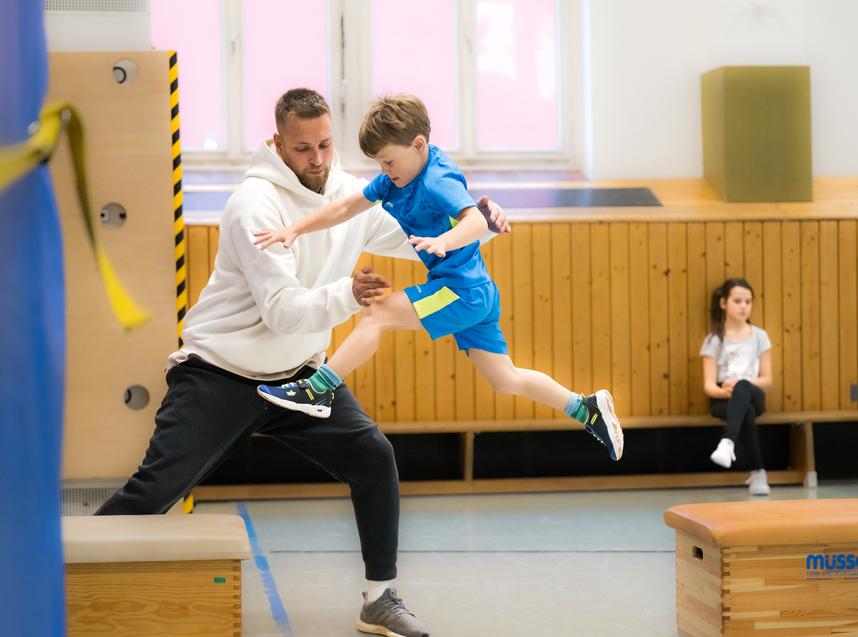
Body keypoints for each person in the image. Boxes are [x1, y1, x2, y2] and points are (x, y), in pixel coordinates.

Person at [96, 88, 512, 637]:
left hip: (300, 377)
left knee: (373, 457)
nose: (316, 159)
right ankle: (61, 580)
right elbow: (282, 312)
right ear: (278, 143)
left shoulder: (350, 193)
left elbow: (424, 238)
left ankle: (379, 599)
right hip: (221, 371)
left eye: (325, 145)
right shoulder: (254, 205)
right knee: (153, 490)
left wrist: (482, 220)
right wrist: (349, 293)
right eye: (302, 149)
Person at [253, 93, 624, 462]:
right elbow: (348, 206)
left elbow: (474, 221)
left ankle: (317, 390)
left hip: (460, 291)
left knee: (376, 314)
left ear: (418, 145)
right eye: (380, 163)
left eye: (389, 161)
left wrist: (443, 241)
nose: (385, 170)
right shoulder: (397, 177)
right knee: (505, 378)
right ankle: (586, 408)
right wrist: (296, 228)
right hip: (477, 291)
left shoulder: (436, 181)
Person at [699, 278, 773, 496]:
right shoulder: (714, 340)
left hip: (753, 393)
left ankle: (727, 441)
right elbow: (709, 385)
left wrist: (742, 384)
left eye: (748, 302)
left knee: (743, 389)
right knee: (745, 410)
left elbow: (767, 379)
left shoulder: (760, 336)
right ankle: (758, 473)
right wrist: (724, 391)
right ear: (724, 303)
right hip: (724, 398)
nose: (743, 306)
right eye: (738, 301)